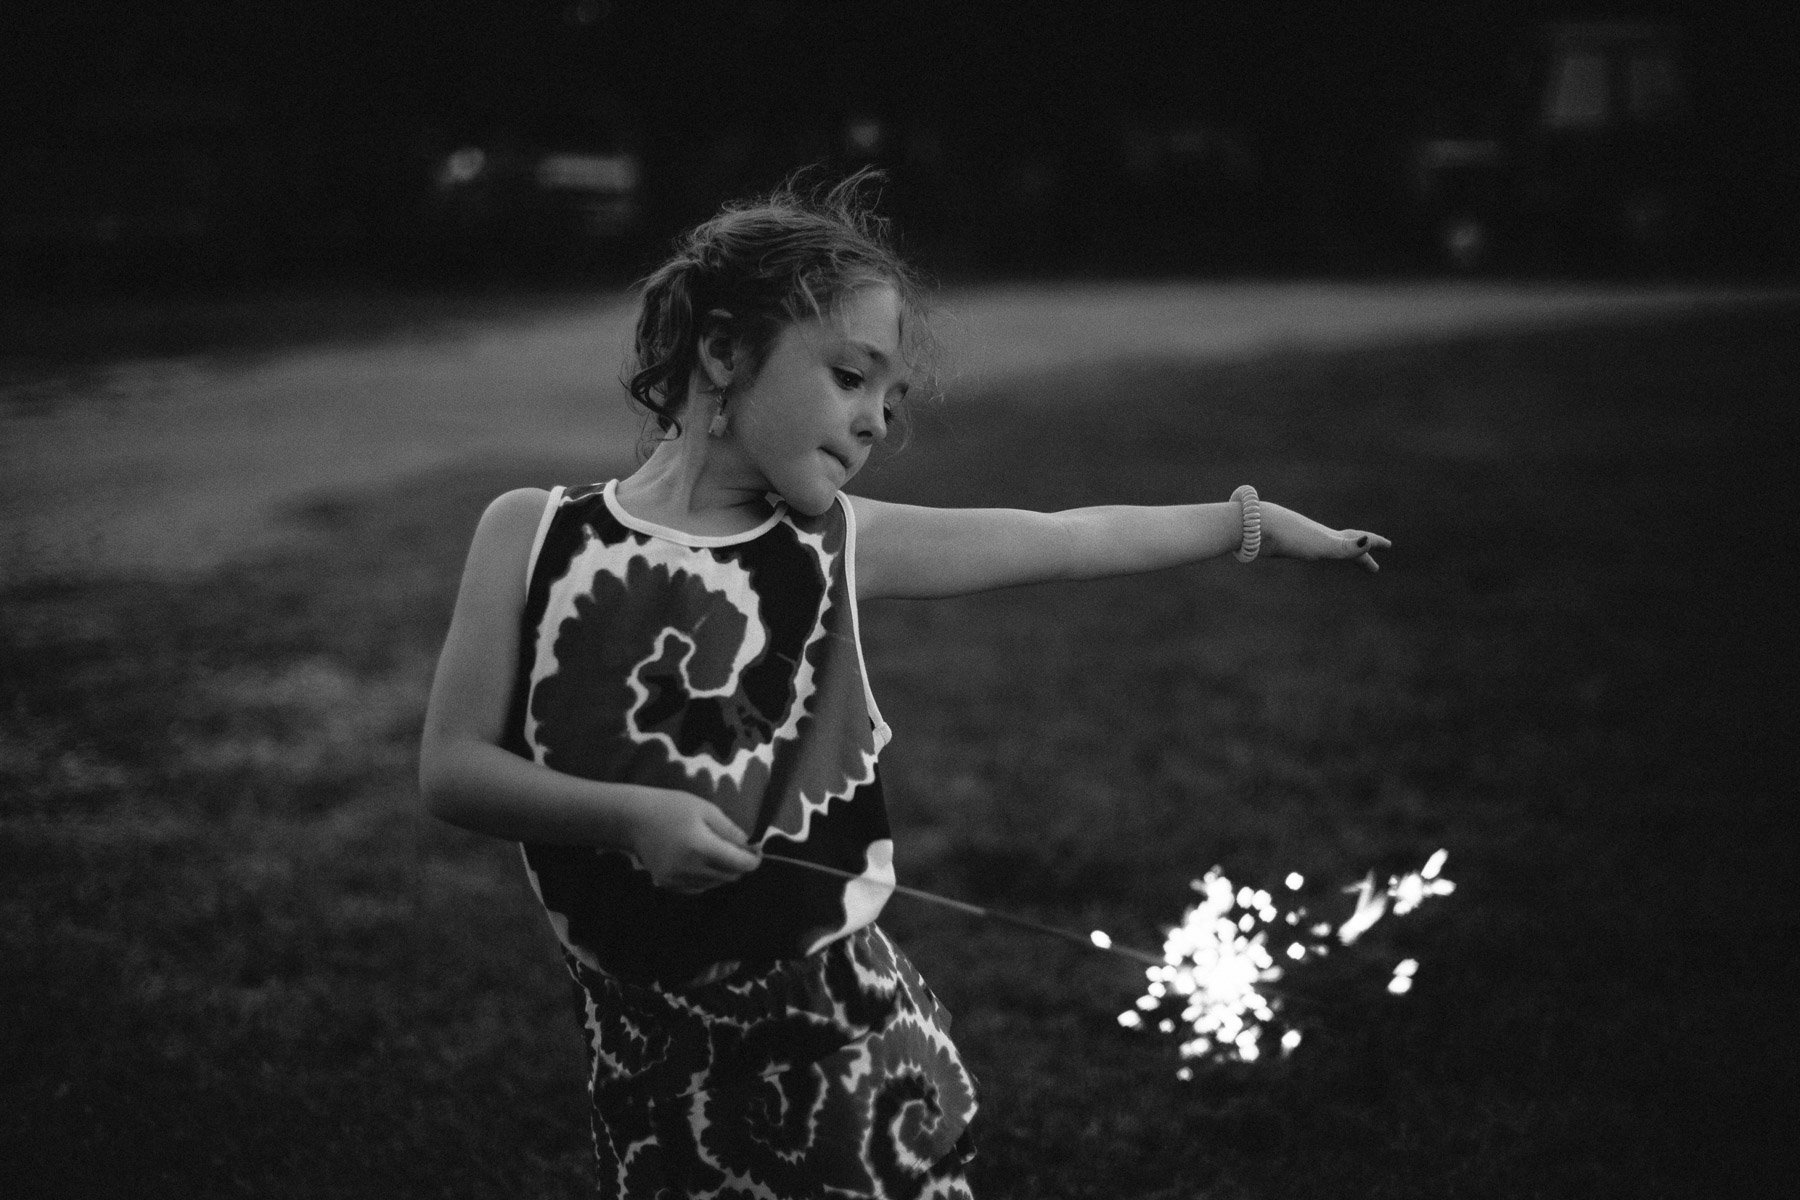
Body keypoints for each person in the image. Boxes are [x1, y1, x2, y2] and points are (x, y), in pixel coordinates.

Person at [418, 170, 1389, 1199]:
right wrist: (627, 818)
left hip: (840, 1038)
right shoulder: (530, 535)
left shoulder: (832, 544)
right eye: (850, 377)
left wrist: (1248, 523)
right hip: (646, 1060)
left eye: (890, 396)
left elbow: (1063, 539)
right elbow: (453, 770)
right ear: (722, 350)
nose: (877, 420)